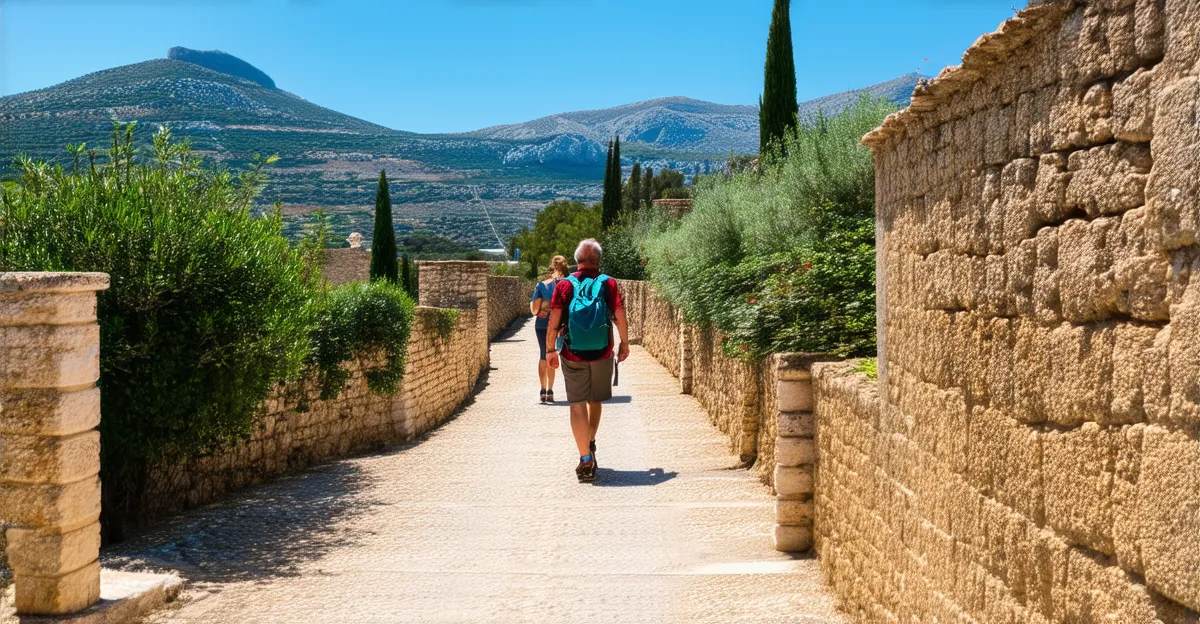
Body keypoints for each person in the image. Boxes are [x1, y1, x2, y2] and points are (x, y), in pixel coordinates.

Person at [545, 239, 630, 483]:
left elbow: (554, 322)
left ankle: (585, 459)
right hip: (602, 352)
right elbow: (619, 315)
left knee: (577, 403)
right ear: (597, 260)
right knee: (595, 399)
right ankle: (590, 439)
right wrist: (625, 343)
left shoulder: (564, 286)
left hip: (573, 354)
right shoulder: (609, 284)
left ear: (577, 260)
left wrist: (550, 350)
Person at [530, 255, 569, 403]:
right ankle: (551, 391)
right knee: (553, 353)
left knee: (543, 355)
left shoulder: (542, 285)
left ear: (552, 266)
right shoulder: (569, 285)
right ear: (565, 266)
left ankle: (543, 390)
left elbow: (534, 310)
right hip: (560, 325)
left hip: (542, 324)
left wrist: (541, 310)